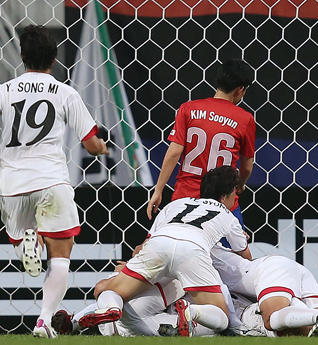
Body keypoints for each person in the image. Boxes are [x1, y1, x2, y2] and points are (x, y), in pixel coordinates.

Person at [0, 25, 109, 338]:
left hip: (12, 184)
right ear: (55, 58)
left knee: (20, 235)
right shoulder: (65, 92)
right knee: (60, 256)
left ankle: (24, 243)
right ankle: (44, 320)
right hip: (51, 181)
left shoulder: (5, 90)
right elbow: (90, 144)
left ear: (22, 56)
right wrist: (101, 146)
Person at [79, 166, 252, 335]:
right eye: (234, 195)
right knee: (221, 316)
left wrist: (131, 267)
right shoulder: (228, 216)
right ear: (223, 198)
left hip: (158, 246)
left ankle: (110, 308)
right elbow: (245, 260)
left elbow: (142, 248)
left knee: (109, 289)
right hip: (192, 253)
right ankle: (190, 312)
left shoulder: (176, 204)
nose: (235, 199)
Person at [147, 59, 255, 228]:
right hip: (222, 203)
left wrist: (158, 190)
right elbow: (247, 167)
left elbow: (174, 153)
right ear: (240, 89)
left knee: (166, 248)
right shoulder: (245, 119)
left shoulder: (188, 108)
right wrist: (239, 184)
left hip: (184, 200)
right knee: (238, 252)